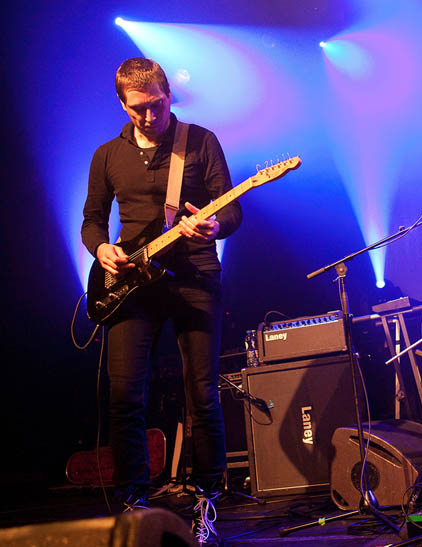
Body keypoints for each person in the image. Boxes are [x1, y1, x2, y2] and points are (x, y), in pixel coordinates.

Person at [81, 57, 241, 543]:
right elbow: (92, 219)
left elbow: (231, 209)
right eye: (137, 110)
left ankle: (207, 499)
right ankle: (134, 502)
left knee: (202, 395)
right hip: (132, 282)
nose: (148, 117)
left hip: (194, 276)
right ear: (122, 104)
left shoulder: (200, 142)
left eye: (155, 106)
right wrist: (101, 248)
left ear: (169, 95)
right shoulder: (107, 155)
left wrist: (215, 225)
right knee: (126, 396)